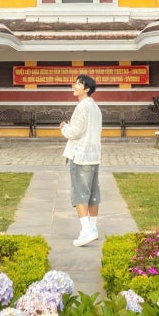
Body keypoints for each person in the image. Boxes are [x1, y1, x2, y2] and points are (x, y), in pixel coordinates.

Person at [59, 74, 102, 247]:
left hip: (81, 155)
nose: (75, 86)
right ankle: (93, 228)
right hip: (94, 155)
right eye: (75, 83)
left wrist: (64, 127)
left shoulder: (82, 106)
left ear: (87, 89)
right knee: (93, 193)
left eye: (79, 84)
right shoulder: (95, 107)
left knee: (80, 194)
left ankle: (86, 231)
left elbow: (74, 132)